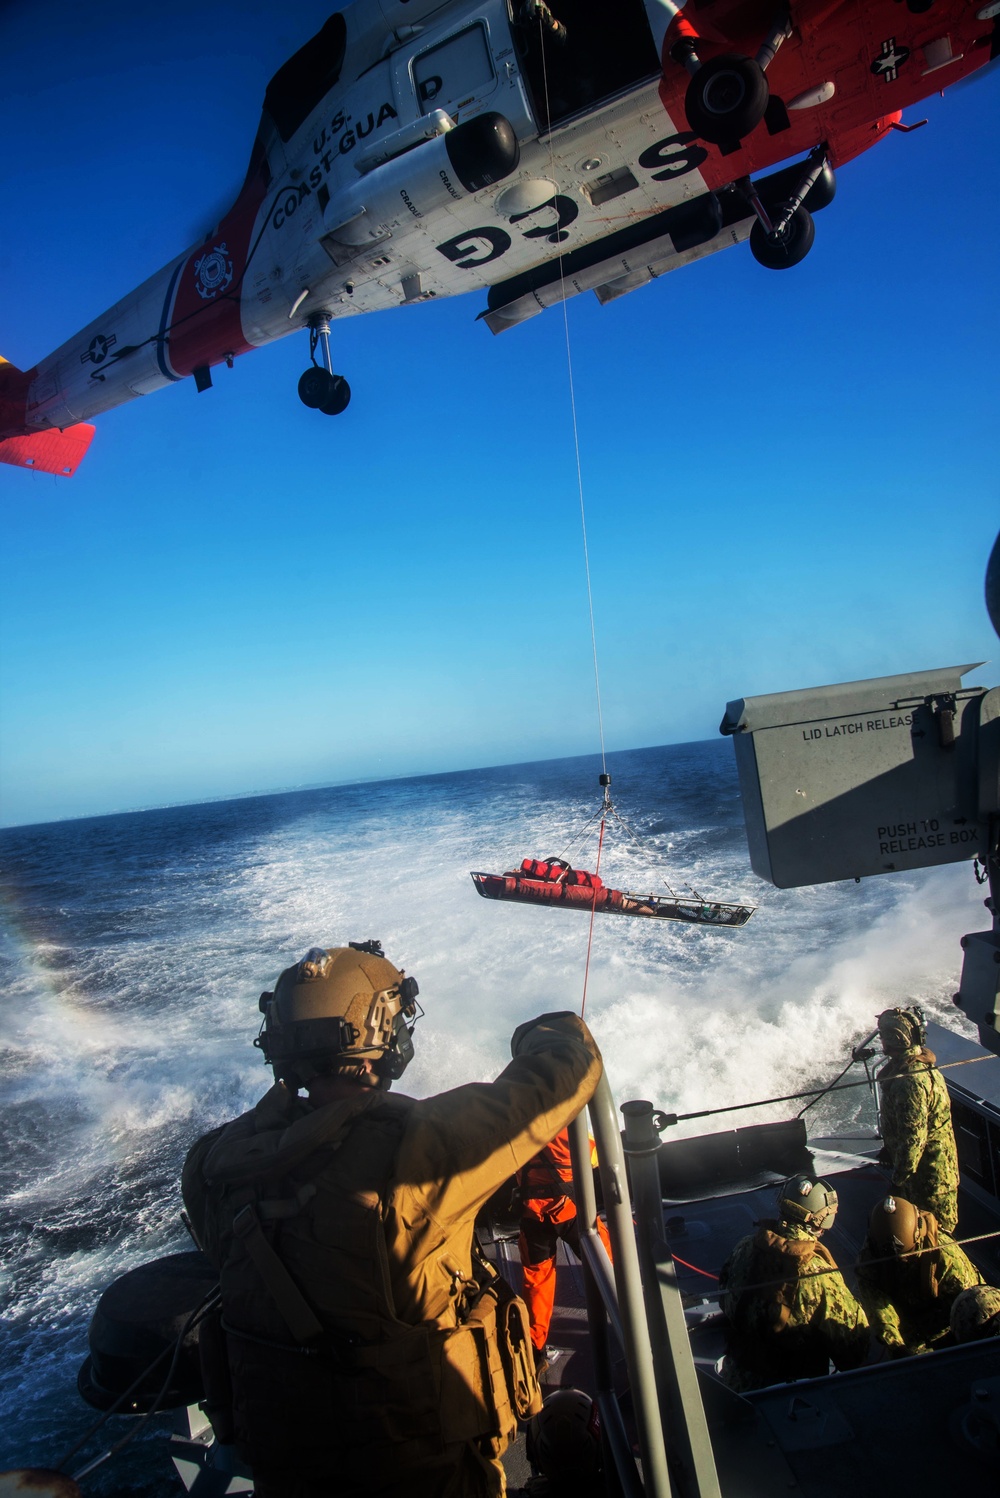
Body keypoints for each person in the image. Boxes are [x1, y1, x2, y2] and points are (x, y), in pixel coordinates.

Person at [182, 941, 604, 1498]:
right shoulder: (416, 1152)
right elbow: (568, 1068)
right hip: (422, 1473)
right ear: (381, 1037)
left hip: (287, 1472)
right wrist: (544, 1031)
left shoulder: (214, 1165)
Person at [718, 1173, 869, 1392]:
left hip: (737, 1382)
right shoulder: (817, 1273)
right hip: (793, 1395)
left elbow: (725, 1296)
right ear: (823, 1219)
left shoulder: (746, 1246)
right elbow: (853, 1346)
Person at [516, 1127, 612, 1373]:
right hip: (570, 1213)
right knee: (608, 1261)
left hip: (532, 1215)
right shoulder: (569, 1131)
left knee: (537, 1282)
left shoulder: (514, 1127)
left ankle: (534, 1351)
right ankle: (632, 1308)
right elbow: (595, 1158)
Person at [855, 1194, 983, 1356]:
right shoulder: (872, 1254)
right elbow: (876, 1302)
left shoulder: (946, 1258)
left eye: (907, 1257)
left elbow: (970, 1307)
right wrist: (896, 1345)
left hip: (950, 1319)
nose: (902, 1262)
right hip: (910, 1325)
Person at [877, 1006, 959, 1234]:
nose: (881, 1041)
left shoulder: (909, 1082)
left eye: (884, 1035)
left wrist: (898, 1180)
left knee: (934, 1236)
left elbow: (914, 1140)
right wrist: (890, 1149)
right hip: (921, 1172)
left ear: (896, 1038)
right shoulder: (909, 1066)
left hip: (929, 1180)